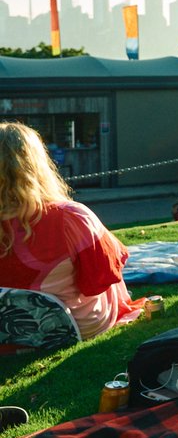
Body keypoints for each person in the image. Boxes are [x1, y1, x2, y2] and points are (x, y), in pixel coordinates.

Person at [0, 122, 143, 342]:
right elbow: (100, 280)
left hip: (8, 334)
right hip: (72, 328)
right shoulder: (70, 218)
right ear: (37, 164)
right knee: (110, 269)